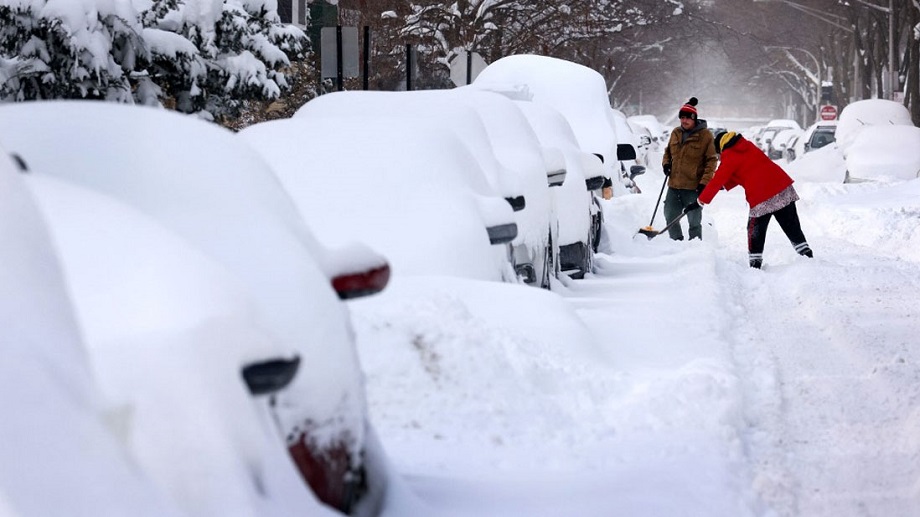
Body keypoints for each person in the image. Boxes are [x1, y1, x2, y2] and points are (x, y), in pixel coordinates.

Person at [686, 131, 814, 269]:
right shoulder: (746, 145)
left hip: (762, 196)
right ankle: (807, 257)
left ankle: (755, 265)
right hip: (783, 188)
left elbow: (717, 179)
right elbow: (744, 171)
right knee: (791, 226)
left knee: (755, 230)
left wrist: (700, 201)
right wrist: (723, 186)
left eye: (718, 153)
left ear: (720, 147)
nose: (718, 156)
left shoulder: (729, 155)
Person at [661, 97, 718, 240]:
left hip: (693, 187)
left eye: (688, 118)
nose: (684, 121)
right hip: (674, 185)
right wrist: (666, 164)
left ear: (694, 119)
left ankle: (695, 248)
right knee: (670, 215)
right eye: (682, 118)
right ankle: (677, 243)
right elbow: (668, 152)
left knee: (694, 221)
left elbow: (711, 160)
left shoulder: (705, 136)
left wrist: (704, 182)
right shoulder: (676, 132)